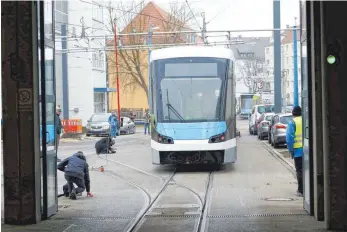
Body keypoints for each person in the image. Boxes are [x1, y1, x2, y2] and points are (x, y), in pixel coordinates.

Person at [286, 106, 303, 197]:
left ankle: (301, 190)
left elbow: (289, 139)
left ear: (293, 113)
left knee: (299, 170)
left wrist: (291, 150)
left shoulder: (292, 122)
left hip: (298, 151)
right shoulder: (306, 120)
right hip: (308, 150)